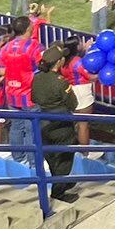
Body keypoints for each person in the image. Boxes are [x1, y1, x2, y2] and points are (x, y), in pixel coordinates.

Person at [29, 45, 80, 204]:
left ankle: (62, 182)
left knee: (51, 157)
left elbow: (33, 98)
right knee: (64, 159)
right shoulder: (61, 82)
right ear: (59, 62)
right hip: (61, 125)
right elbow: (73, 104)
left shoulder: (37, 78)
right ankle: (58, 192)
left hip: (43, 123)